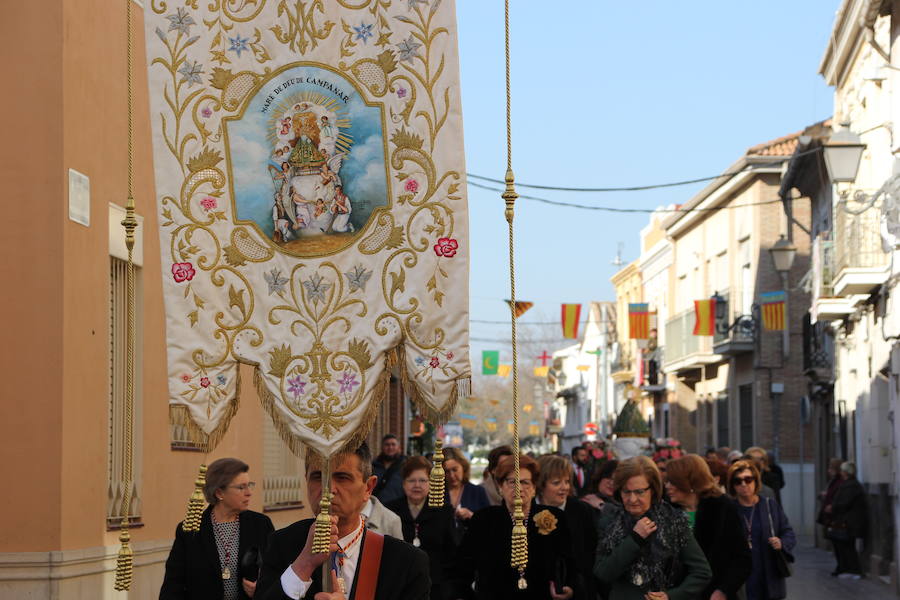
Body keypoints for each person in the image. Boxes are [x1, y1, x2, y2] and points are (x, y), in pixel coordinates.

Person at [257, 443, 429, 600]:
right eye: (318, 477)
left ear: (368, 488)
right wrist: (303, 565)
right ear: (306, 480)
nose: (328, 489)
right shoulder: (281, 544)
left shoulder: (406, 561)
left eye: (342, 477)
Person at [450, 454, 576, 599]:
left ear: (534, 488)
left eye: (525, 482)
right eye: (512, 482)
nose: (519, 488)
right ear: (500, 487)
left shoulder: (554, 517)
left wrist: (569, 587)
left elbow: (569, 561)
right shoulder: (484, 519)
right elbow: (463, 566)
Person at [594, 456, 712, 600]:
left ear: (653, 490)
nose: (632, 499)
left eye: (639, 492)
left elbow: (702, 572)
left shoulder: (673, 521)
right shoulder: (611, 521)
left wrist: (671, 596)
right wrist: (635, 539)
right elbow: (603, 573)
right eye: (626, 492)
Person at [160, 458, 275, 600]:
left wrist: (260, 589)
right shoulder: (190, 530)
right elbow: (173, 586)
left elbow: (276, 574)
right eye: (241, 487)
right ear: (219, 493)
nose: (248, 492)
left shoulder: (260, 525)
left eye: (249, 485)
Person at [665, 455, 751, 600]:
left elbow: (742, 559)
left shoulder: (722, 508)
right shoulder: (666, 511)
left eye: (672, 482)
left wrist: (722, 591)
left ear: (689, 483)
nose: (667, 486)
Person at [385, 456, 458, 600]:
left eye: (423, 480)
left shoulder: (444, 511)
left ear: (431, 483)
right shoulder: (390, 510)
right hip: (400, 585)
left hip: (437, 586)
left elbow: (452, 552)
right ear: (403, 484)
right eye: (411, 480)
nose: (417, 485)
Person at [726, 460, 796, 600]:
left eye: (748, 479)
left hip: (767, 573)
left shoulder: (769, 505)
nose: (744, 484)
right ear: (732, 485)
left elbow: (788, 531)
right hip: (741, 577)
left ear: (756, 481)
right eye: (738, 481)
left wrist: (781, 543)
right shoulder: (728, 509)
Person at [537, 455, 598, 600]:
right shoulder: (528, 510)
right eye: (556, 482)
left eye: (567, 482)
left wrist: (574, 588)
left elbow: (589, 556)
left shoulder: (582, 511)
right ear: (541, 484)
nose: (564, 487)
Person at [828, 461, 867, 579]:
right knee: (843, 546)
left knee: (847, 547)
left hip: (849, 522)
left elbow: (844, 502)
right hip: (845, 521)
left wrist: (833, 507)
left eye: (842, 470)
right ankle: (846, 568)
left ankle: (854, 570)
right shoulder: (849, 484)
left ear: (845, 472)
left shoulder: (851, 485)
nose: (840, 472)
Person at [442, 446, 490, 532]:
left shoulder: (478, 492)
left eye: (455, 469)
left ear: (463, 467)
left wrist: (472, 516)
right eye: (446, 471)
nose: (452, 476)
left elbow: (489, 523)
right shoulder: (437, 492)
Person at [372, 434, 407, 505]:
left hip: (398, 507)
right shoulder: (373, 466)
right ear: (382, 447)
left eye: (393, 444)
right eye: (387, 445)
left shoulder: (406, 465)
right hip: (377, 507)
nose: (390, 447)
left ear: (399, 447)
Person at [816, 458, 844, 531]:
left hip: (836, 517)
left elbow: (838, 496)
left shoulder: (839, 481)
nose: (829, 471)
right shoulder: (835, 480)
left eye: (831, 468)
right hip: (832, 516)